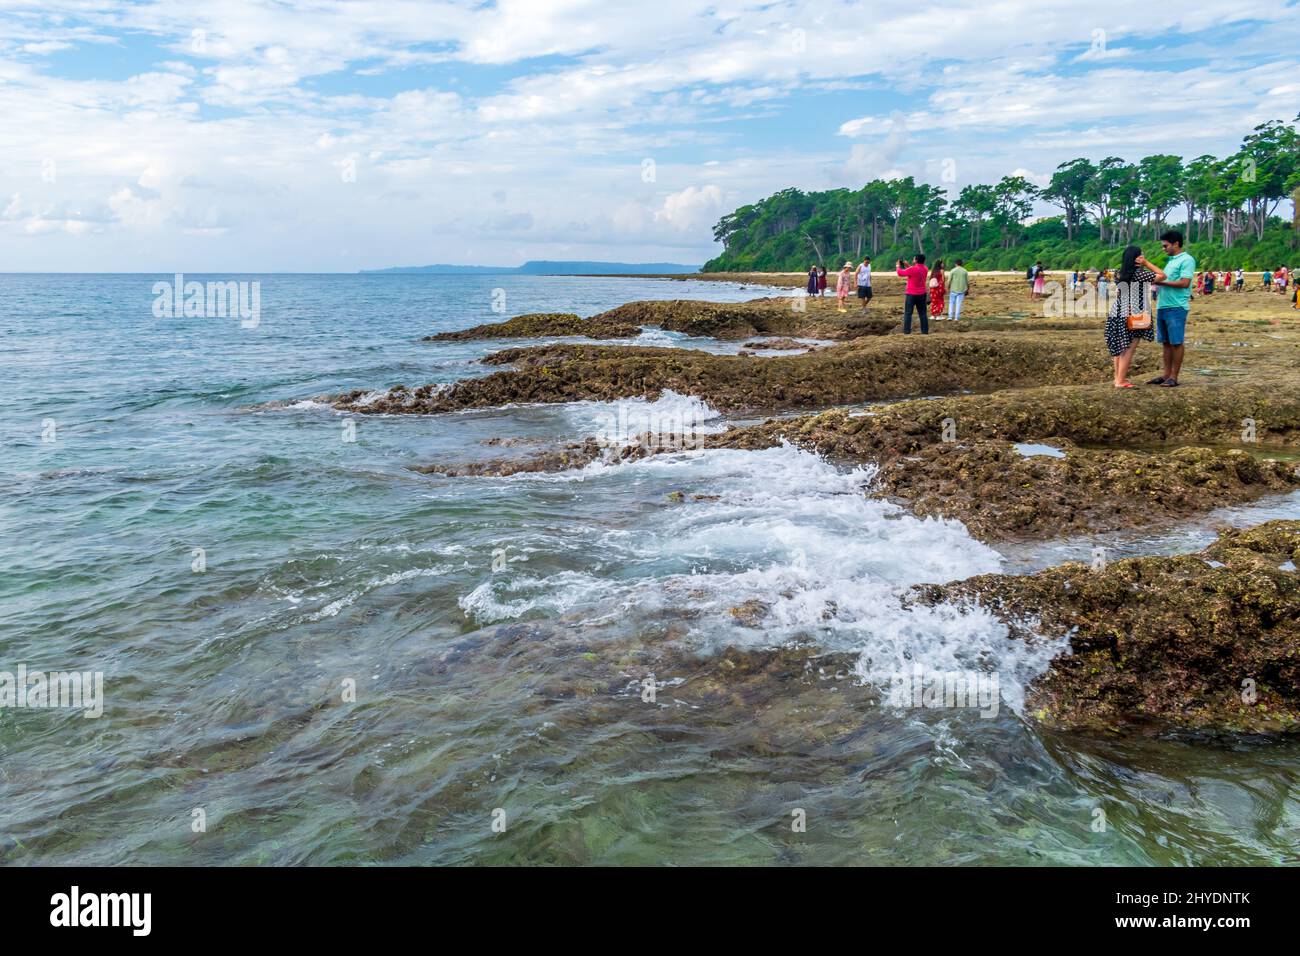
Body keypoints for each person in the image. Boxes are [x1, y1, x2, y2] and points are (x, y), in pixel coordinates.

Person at [1107, 244, 1163, 388]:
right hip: (1134, 311)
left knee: (1119, 346)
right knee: (1129, 347)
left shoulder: (1118, 273)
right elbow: (1162, 276)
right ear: (1137, 258)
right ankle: (1121, 380)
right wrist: (1147, 263)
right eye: (1141, 255)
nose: (1143, 257)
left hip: (1118, 310)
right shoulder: (1139, 273)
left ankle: (1117, 378)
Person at [1148, 229, 1195, 388]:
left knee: (1176, 342)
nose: (1164, 248)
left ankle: (1174, 376)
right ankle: (1166, 375)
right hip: (1163, 305)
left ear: (1176, 243)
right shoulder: (1171, 261)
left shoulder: (1186, 260)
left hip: (1176, 306)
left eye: (1165, 245)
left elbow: (1185, 283)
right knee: (1166, 343)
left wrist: (1161, 283)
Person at [897, 254, 930, 334]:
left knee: (908, 313)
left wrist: (897, 266)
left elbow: (900, 273)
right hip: (922, 293)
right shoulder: (925, 269)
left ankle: (907, 331)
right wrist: (907, 265)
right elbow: (915, 271)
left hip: (911, 294)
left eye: (914, 258)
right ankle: (925, 331)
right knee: (922, 313)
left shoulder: (913, 269)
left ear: (916, 260)